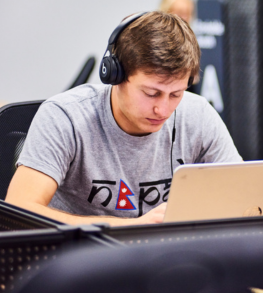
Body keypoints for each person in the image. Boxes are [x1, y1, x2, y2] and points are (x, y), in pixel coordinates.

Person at [5, 12, 242, 226]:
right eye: (151, 93)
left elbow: (244, 194)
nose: (163, 109)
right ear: (116, 76)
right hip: (79, 259)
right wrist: (134, 227)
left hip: (168, 259)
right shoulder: (64, 116)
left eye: (176, 94)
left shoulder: (198, 114)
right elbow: (20, 208)